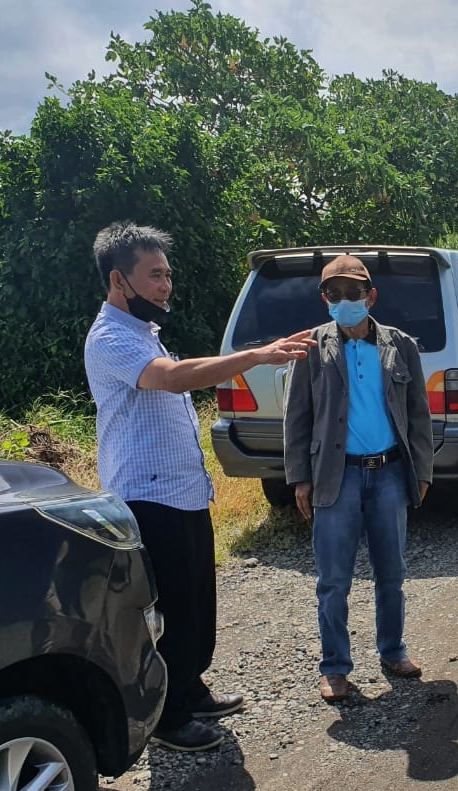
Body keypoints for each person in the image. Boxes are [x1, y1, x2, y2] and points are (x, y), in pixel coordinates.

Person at [84, 222, 315, 751]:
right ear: (120, 280)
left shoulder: (144, 332)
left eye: (168, 275)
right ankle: (165, 720)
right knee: (170, 609)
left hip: (182, 492)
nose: (166, 286)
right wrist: (257, 355)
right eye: (155, 275)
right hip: (147, 497)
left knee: (196, 603)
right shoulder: (111, 338)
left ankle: (189, 687)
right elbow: (172, 377)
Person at [283, 255, 434, 703]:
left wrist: (421, 469)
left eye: (354, 293)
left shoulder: (400, 345)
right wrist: (301, 479)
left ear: (371, 296)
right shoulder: (312, 348)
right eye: (335, 294)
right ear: (324, 298)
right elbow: (298, 418)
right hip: (336, 477)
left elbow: (419, 414)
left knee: (392, 574)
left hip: (388, 473)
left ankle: (393, 650)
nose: (345, 301)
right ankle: (334, 667)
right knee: (333, 581)